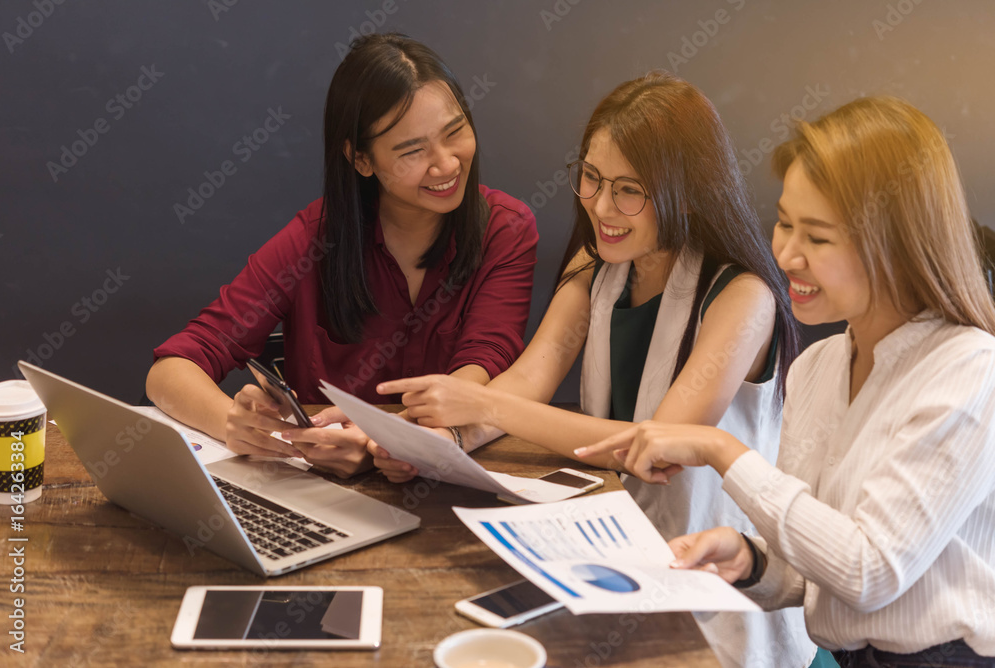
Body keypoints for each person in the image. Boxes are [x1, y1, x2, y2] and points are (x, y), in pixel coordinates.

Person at [375, 72, 820, 668]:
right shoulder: (598, 263)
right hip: (615, 554)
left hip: (724, 585)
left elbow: (656, 447)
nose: (601, 207)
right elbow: (530, 379)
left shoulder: (743, 296)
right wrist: (440, 440)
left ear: (687, 192)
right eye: (591, 177)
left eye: (629, 190)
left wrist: (483, 406)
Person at [579, 96, 995, 666]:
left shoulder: (970, 369)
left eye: (818, 238)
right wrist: (751, 560)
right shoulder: (819, 368)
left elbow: (868, 572)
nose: (786, 255)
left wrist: (721, 449)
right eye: (783, 224)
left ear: (897, 244)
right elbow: (819, 569)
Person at [145, 34, 538, 478]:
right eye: (413, 150)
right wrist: (236, 425)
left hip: (452, 487)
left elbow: (481, 366)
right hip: (320, 489)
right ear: (361, 159)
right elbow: (169, 371)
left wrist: (382, 439)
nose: (446, 164)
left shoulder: (505, 228)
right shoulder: (315, 238)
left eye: (455, 132)